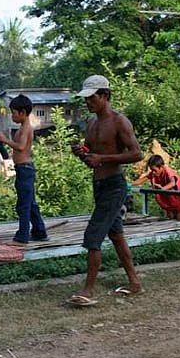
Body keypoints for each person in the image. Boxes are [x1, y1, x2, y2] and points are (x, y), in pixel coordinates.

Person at [68, 75, 144, 306]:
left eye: (92, 98)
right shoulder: (91, 123)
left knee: (93, 235)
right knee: (116, 234)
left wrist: (103, 158)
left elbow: (137, 154)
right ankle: (135, 282)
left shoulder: (120, 122)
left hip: (114, 184)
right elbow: (92, 155)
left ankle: (89, 290)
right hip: (99, 184)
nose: (88, 102)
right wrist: (81, 153)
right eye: (86, 99)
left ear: (105, 96)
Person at [0, 95, 48, 244]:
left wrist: (5, 140)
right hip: (23, 169)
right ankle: (40, 232)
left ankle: (23, 235)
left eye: (14, 112)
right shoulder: (22, 128)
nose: (12, 116)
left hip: (25, 170)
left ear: (23, 113)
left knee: (24, 205)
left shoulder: (26, 128)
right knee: (30, 203)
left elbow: (21, 147)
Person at [132, 154, 180, 221]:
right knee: (170, 217)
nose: (153, 172)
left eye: (154, 170)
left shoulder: (168, 171)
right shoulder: (153, 173)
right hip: (169, 197)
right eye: (152, 170)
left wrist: (162, 188)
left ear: (161, 167)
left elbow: (173, 183)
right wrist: (129, 185)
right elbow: (142, 180)